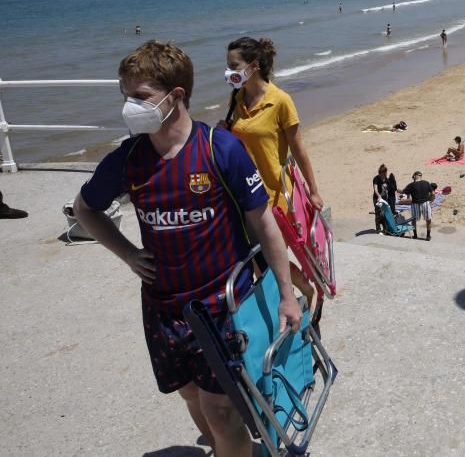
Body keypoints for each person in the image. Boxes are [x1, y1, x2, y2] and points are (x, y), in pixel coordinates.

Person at [73, 40, 301, 457]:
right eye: (126, 96)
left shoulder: (220, 149)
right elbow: (85, 209)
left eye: (140, 97)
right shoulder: (128, 160)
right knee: (192, 396)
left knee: (223, 409)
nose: (129, 107)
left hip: (221, 306)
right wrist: (127, 254)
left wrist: (287, 294)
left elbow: (263, 222)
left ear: (176, 95)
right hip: (163, 308)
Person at [223, 38, 324, 213]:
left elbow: (298, 149)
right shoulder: (236, 98)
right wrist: (225, 133)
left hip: (276, 196)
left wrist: (313, 192)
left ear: (254, 66)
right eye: (228, 66)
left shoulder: (280, 101)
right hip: (245, 194)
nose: (228, 72)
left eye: (234, 66)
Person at [401, 171, 434, 240]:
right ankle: (428, 236)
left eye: (413, 177)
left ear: (415, 176)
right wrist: (431, 199)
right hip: (425, 203)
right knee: (428, 219)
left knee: (414, 220)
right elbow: (433, 193)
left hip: (415, 204)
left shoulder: (411, 185)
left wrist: (399, 191)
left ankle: (415, 235)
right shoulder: (426, 183)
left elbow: (403, 192)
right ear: (420, 176)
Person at [372, 164, 398, 233]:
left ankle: (385, 228)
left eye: (386, 172)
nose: (385, 174)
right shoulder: (376, 178)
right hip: (377, 198)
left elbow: (391, 188)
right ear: (381, 172)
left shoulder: (386, 179)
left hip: (384, 198)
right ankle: (378, 228)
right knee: (379, 213)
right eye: (384, 172)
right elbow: (375, 189)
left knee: (385, 213)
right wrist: (379, 196)